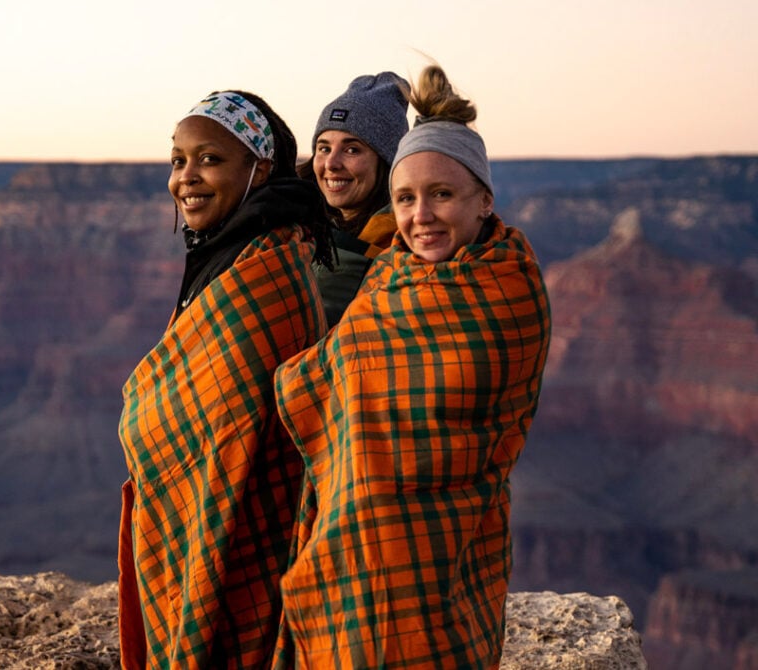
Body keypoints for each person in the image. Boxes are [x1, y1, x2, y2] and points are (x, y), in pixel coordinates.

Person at [273, 64, 552, 668]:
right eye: (406, 199)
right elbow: (325, 375)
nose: (421, 215)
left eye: (442, 195)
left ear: (484, 200)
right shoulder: (387, 278)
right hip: (351, 532)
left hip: (443, 541)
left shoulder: (509, 289)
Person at [117, 89, 332, 669]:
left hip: (244, 539)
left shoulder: (265, 274)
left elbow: (233, 432)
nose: (186, 177)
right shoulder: (228, 253)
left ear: (260, 169)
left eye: (209, 159)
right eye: (178, 160)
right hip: (205, 521)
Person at [299, 72, 410, 326]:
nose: (331, 163)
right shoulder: (293, 233)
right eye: (324, 148)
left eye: (352, 150)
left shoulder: (405, 250)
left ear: (386, 163)